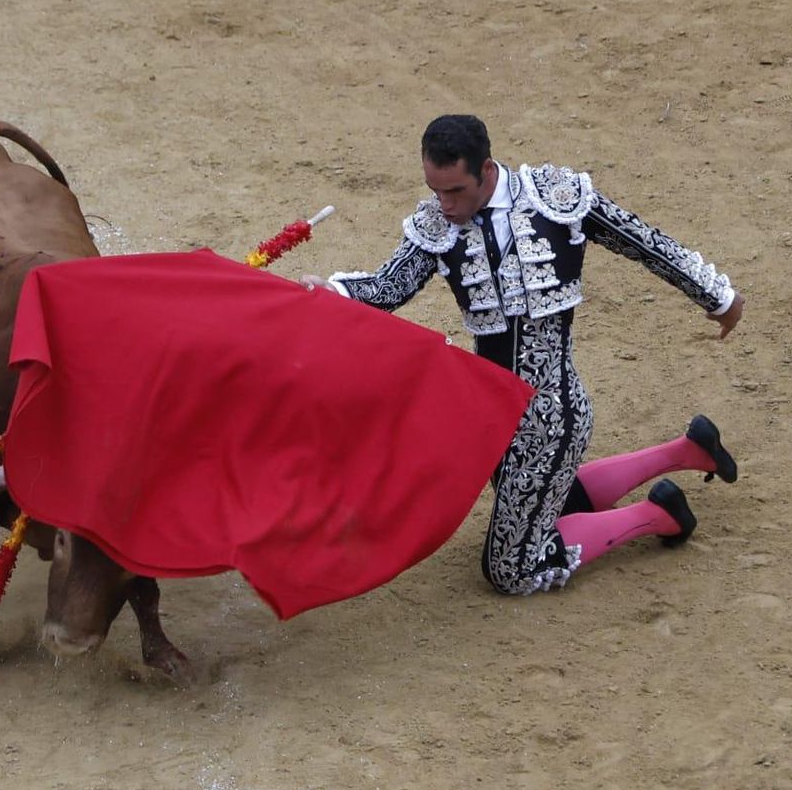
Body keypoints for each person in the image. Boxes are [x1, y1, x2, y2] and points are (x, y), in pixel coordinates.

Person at [300, 115, 745, 595]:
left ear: (486, 170)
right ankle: (688, 450)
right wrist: (332, 293)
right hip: (493, 417)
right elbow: (389, 285)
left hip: (551, 415)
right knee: (558, 500)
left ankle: (659, 515)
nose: (445, 205)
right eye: (436, 190)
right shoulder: (438, 223)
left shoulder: (555, 197)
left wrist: (716, 295)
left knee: (512, 569)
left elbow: (640, 240)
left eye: (455, 191)